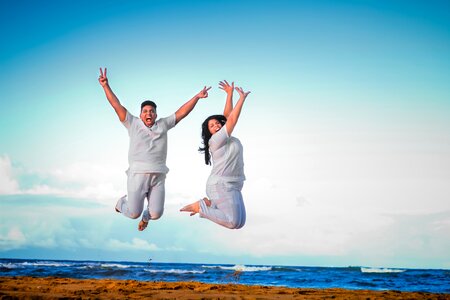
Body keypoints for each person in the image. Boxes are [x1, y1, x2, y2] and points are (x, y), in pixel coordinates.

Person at [98, 67, 211, 231]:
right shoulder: (132, 123)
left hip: (158, 175)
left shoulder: (163, 124)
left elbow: (181, 112)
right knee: (132, 213)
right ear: (140, 114)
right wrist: (105, 86)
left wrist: (197, 97)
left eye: (151, 111)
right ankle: (120, 203)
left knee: (156, 214)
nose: (148, 113)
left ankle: (146, 218)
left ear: (156, 115)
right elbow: (116, 105)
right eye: (145, 111)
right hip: (137, 174)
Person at [180, 80, 250, 229]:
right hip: (220, 185)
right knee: (232, 222)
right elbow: (231, 119)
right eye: (212, 126)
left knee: (240, 223)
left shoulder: (228, 138)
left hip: (235, 185)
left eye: (218, 123)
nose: (217, 126)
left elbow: (227, 117)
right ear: (209, 132)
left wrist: (229, 94)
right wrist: (241, 99)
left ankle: (209, 204)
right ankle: (201, 207)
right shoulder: (215, 140)